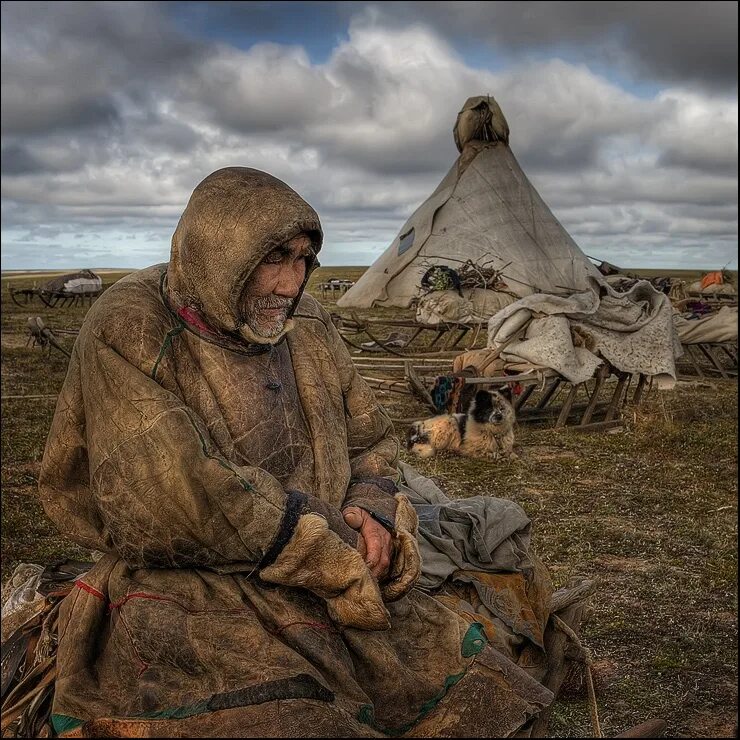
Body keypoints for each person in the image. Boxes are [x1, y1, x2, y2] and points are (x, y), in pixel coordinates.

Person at [39, 167, 555, 738]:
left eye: (303, 259)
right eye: (273, 258)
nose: (290, 283)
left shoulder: (306, 324)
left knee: (467, 679)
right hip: (193, 575)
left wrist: (373, 508)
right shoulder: (129, 327)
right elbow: (174, 500)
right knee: (278, 711)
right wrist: (325, 539)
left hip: (334, 555)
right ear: (218, 253)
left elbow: (371, 437)